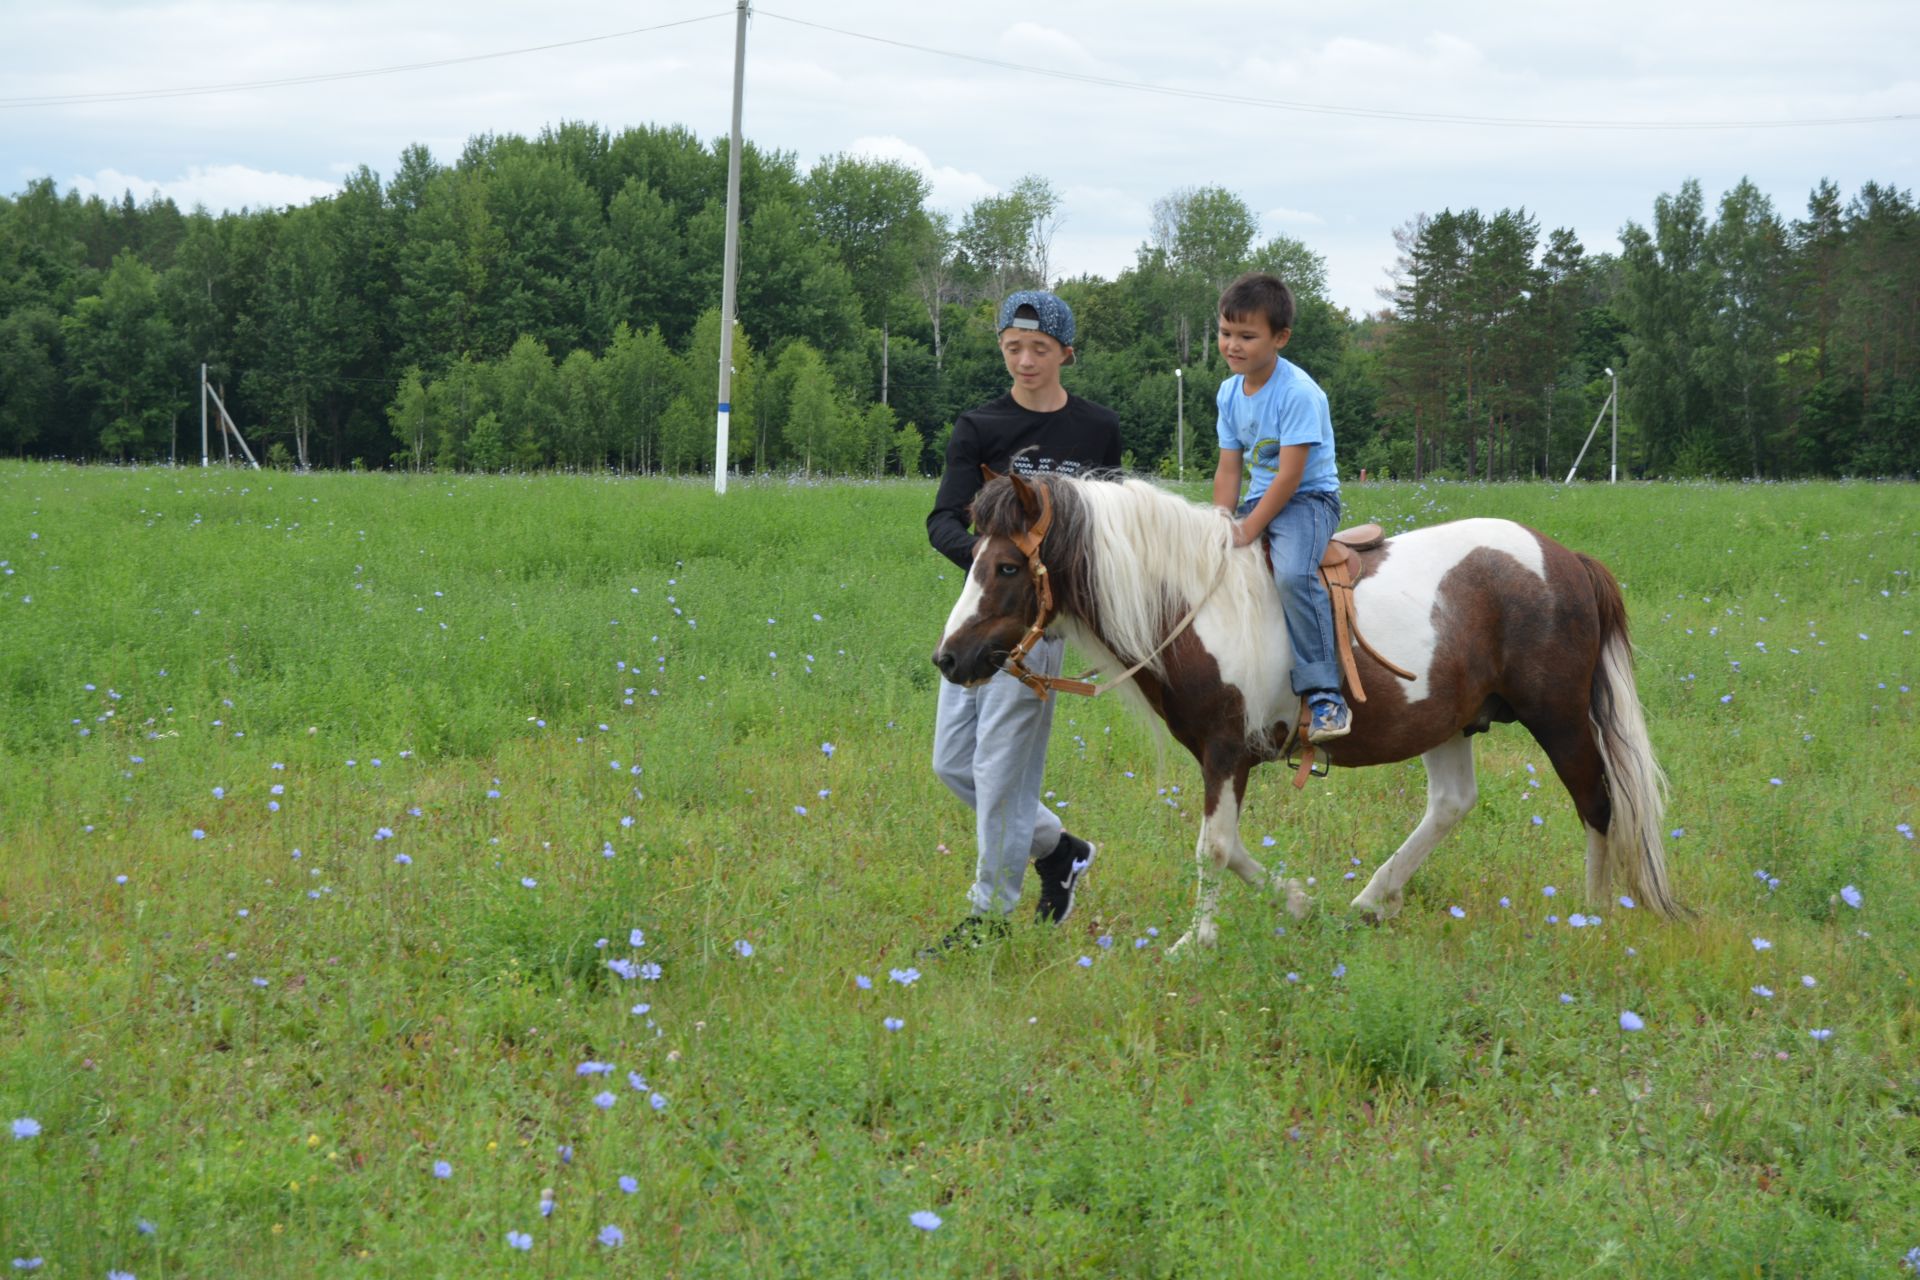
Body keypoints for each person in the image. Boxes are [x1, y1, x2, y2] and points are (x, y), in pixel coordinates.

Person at [923, 289, 1122, 953]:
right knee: (954, 763)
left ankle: (988, 917)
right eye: (1014, 347)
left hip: (1038, 624)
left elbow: (1107, 530)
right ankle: (1059, 851)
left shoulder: (1096, 430)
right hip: (982, 612)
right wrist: (997, 563)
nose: (1025, 360)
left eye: (1040, 348)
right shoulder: (979, 428)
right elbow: (942, 521)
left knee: (1003, 768)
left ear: (1066, 351)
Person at [1209, 271, 1349, 742]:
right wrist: (1222, 520)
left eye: (1247, 336)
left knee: (1291, 574)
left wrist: (1249, 531)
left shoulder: (1298, 393)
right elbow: (1230, 469)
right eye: (1227, 333)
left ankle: (1326, 694)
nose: (1233, 345)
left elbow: (1290, 475)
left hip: (1308, 500)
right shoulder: (1229, 392)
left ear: (1280, 338)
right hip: (1258, 497)